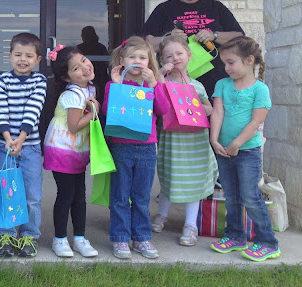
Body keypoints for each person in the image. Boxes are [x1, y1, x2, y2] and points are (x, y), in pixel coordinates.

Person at [209, 36, 280, 262]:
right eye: (224, 63)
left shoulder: (260, 90)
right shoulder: (222, 85)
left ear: (249, 60)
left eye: (231, 62)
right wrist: (214, 140)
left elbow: (256, 122)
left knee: (250, 196)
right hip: (223, 150)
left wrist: (237, 144)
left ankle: (267, 242)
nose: (226, 68)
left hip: (247, 151)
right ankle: (235, 236)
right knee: (231, 196)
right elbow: (217, 112)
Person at [102, 36, 170, 260]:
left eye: (142, 57)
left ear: (149, 62)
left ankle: (141, 238)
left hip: (147, 147)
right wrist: (117, 85)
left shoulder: (152, 85)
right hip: (121, 146)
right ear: (122, 60)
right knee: (120, 196)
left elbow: (163, 109)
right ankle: (120, 238)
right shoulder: (114, 84)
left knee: (141, 197)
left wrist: (154, 84)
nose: (137, 61)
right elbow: (107, 111)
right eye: (132, 57)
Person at [142, 0, 244, 97]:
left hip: (215, 79)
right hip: (174, 80)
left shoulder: (216, 7)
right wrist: (168, 38)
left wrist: (214, 35)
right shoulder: (164, 9)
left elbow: (239, 37)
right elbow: (146, 43)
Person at [152, 34, 217, 247]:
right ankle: (162, 214)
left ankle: (190, 225)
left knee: (193, 181)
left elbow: (209, 109)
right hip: (172, 141)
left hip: (195, 142)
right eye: (168, 56)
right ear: (162, 60)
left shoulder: (197, 86)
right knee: (169, 177)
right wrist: (161, 72)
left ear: (189, 55)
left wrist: (197, 107)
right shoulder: (163, 83)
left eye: (179, 53)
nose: (175, 58)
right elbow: (156, 92)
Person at [0, 32, 47, 258]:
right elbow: (0, 110)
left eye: (29, 56)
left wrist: (21, 138)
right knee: (5, 191)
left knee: (32, 195)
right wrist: (7, 138)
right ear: (9, 56)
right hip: (3, 147)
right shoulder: (3, 80)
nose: (23, 59)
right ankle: (5, 235)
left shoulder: (39, 81)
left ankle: (29, 236)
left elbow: (34, 109)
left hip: (30, 147)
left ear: (38, 60)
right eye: (18, 55)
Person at [43, 46, 100, 258]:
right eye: (76, 68)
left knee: (79, 196)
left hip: (76, 150)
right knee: (66, 195)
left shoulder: (89, 89)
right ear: (67, 78)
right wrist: (95, 111)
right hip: (62, 149)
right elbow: (74, 126)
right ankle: (59, 239)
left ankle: (79, 238)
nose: (85, 67)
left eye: (84, 60)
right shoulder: (72, 94)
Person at [77, 26, 109, 103]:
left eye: (85, 35)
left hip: (99, 78)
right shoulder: (101, 47)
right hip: (88, 78)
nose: (83, 37)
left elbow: (105, 65)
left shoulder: (100, 48)